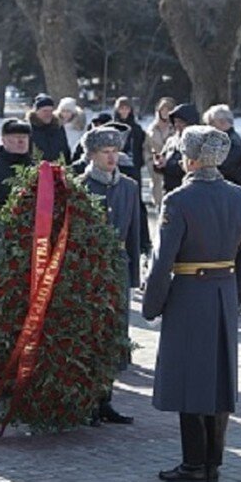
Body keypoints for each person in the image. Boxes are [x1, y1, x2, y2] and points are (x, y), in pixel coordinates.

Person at [143, 125, 241, 482]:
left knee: (190, 379)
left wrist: (152, 304)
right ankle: (212, 464)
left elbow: (163, 261)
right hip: (223, 293)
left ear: (190, 159)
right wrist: (234, 298)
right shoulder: (240, 196)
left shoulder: (179, 200)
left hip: (189, 294)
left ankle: (193, 464)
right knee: (219, 379)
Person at [77, 126, 140, 425]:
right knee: (90, 333)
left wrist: (133, 276)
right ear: (91, 154)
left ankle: (105, 399)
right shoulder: (79, 186)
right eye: (105, 152)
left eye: (115, 151)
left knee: (114, 333)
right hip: (89, 269)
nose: (112, 157)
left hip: (117, 268)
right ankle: (87, 401)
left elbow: (134, 232)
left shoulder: (129, 186)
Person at [154, 103, 200, 195]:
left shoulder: (198, 141)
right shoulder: (171, 140)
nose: (177, 125)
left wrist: (168, 165)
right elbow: (163, 159)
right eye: (175, 121)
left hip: (188, 191)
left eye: (181, 122)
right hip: (169, 189)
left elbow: (193, 167)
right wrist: (158, 164)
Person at [203, 104, 241, 190]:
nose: (209, 127)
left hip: (231, 190)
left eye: (211, 123)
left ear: (222, 122)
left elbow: (224, 168)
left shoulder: (232, 142)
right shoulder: (224, 139)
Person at [146, 97, 176, 206]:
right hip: (156, 167)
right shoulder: (152, 128)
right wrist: (150, 162)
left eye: (168, 110)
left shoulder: (176, 127)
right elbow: (146, 148)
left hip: (172, 166)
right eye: (163, 109)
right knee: (158, 195)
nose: (165, 112)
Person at [28, 93, 71, 163]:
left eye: (50, 111)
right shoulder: (29, 130)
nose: (48, 114)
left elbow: (65, 151)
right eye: (45, 111)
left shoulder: (58, 128)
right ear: (36, 112)